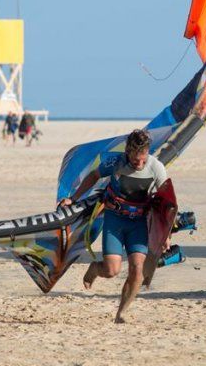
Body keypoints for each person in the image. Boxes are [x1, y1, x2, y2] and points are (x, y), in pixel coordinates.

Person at [57, 129, 167, 323]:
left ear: (147, 152)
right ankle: (94, 269)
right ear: (127, 152)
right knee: (111, 271)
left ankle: (121, 313)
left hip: (139, 223)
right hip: (115, 220)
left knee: (137, 269)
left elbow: (167, 203)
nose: (139, 164)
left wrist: (166, 235)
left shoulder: (156, 168)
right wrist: (73, 199)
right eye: (135, 161)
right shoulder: (115, 162)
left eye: (143, 159)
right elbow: (93, 175)